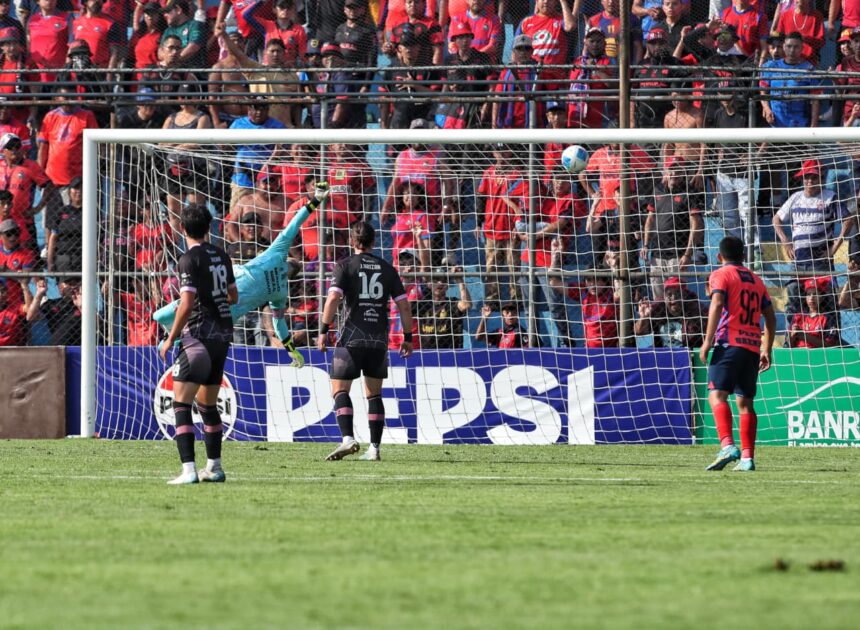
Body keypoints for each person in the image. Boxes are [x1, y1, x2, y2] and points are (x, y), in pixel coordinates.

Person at [155, 183, 331, 367]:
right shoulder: (280, 292)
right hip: (225, 315)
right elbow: (279, 325)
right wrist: (291, 350)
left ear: (288, 261)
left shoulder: (277, 254)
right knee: (184, 333)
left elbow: (295, 223)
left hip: (213, 298)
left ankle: (171, 340)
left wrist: (316, 200)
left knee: (160, 317)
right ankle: (173, 340)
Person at [317, 220, 414, 462]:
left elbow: (333, 299)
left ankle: (348, 438)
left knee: (340, 389)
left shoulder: (345, 265)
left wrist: (323, 330)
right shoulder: (387, 268)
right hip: (378, 340)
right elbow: (404, 305)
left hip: (351, 337)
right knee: (374, 395)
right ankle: (374, 448)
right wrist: (408, 337)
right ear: (373, 241)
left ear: (352, 240)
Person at [157, 203, 237, 485]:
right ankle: (214, 468)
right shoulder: (222, 256)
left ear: (182, 228)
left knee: (181, 404)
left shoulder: (188, 259)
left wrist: (170, 338)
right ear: (209, 226)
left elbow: (187, 303)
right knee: (207, 405)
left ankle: (189, 470)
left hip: (198, 337)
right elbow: (234, 296)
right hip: (222, 337)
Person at [700, 235, 776, 473]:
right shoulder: (756, 280)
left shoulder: (720, 274)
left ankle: (727, 446)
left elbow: (717, 304)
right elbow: (771, 317)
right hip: (752, 347)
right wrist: (766, 349)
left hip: (728, 344)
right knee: (745, 403)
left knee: (716, 396)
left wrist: (707, 341)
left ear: (719, 256)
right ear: (743, 256)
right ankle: (747, 458)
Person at [634, 276, 706, 348]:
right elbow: (639, 332)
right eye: (669, 295)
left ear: (685, 296)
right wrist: (644, 317)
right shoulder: (657, 309)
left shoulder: (697, 310)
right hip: (663, 353)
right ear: (664, 297)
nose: (674, 299)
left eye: (678, 294)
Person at [788, 277, 840, 349]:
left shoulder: (828, 318)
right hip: (799, 353)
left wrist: (804, 336)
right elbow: (789, 345)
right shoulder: (798, 316)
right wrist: (792, 336)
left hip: (818, 354)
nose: (811, 298)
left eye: (815, 294)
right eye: (808, 294)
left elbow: (831, 346)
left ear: (822, 297)